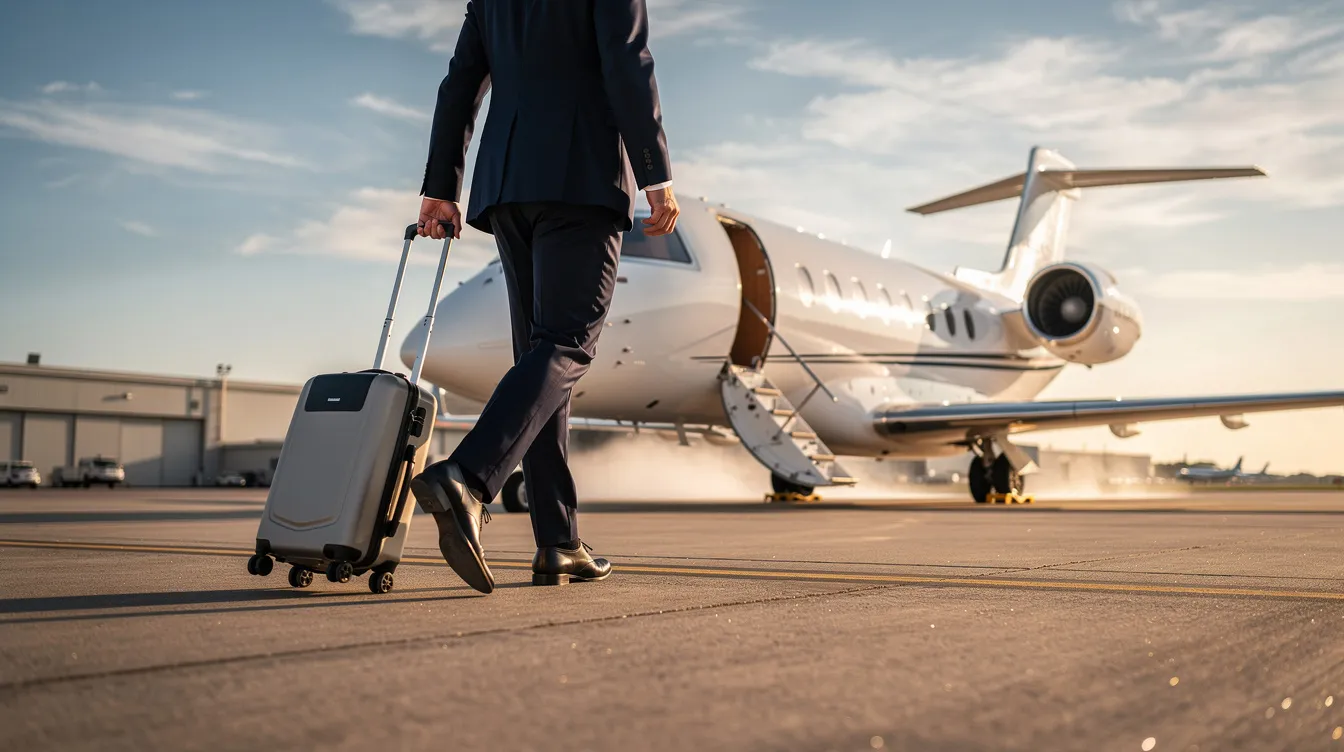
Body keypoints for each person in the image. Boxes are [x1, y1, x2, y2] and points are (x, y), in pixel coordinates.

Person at [409, 0, 679, 594]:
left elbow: (460, 84)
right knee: (568, 344)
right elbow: (627, 61)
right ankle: (468, 477)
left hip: (506, 186)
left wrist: (441, 186)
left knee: (541, 360)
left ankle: (559, 542)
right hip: (581, 177)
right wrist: (655, 176)